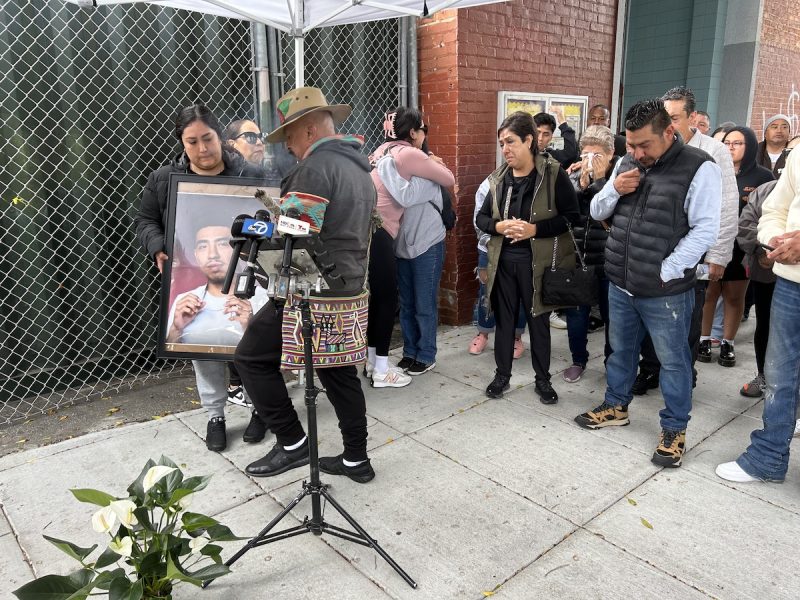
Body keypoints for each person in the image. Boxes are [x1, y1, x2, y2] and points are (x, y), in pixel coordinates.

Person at [234, 87, 377, 483]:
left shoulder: (313, 169)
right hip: (348, 284)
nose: (290, 149)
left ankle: (294, 444)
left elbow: (295, 234)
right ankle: (355, 460)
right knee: (339, 372)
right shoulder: (358, 166)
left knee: (250, 357)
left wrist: (254, 236)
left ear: (310, 130)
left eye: (291, 138)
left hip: (311, 290)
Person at [574, 99, 721, 468]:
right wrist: (614, 189)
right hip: (622, 282)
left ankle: (674, 429)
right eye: (630, 144)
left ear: (669, 132)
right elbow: (596, 211)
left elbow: (706, 229)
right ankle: (616, 406)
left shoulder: (699, 168)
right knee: (620, 351)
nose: (636, 153)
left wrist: (668, 269)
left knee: (674, 363)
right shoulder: (626, 163)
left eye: (644, 145)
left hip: (665, 290)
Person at [134, 103, 268, 452]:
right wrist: (160, 247)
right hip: (191, 278)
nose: (201, 149)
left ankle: (261, 410)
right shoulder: (164, 180)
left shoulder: (248, 175)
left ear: (220, 137)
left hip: (248, 277)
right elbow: (145, 220)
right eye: (191, 142)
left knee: (250, 345)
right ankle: (215, 416)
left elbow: (269, 216)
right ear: (182, 142)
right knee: (202, 344)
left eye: (207, 139)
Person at [630, 86, 738, 395]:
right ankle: (650, 370)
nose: (669, 124)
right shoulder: (656, 149)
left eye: (675, 117)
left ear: (692, 117)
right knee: (651, 316)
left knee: (688, 320)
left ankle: (682, 374)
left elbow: (727, 204)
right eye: (665, 117)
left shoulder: (712, 152)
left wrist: (719, 254)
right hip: (659, 248)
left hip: (696, 253)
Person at [476, 111, 579, 404]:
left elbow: (572, 217)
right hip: (504, 263)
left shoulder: (552, 173)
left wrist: (534, 229)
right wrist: (498, 226)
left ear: (529, 141)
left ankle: (543, 380)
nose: (505, 148)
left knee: (538, 323)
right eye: (501, 143)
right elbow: (481, 218)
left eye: (511, 142)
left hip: (539, 264)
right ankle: (502, 375)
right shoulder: (499, 179)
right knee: (505, 322)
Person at [715, 139, 800, 483]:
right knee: (779, 375)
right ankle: (769, 456)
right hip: (791, 280)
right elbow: (777, 207)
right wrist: (776, 239)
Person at [368, 107, 454, 381]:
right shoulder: (397, 158)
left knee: (424, 303)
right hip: (401, 243)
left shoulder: (414, 160)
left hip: (427, 241)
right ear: (412, 132)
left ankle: (425, 354)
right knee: (406, 303)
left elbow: (427, 189)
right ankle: (410, 351)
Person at [698, 126, 774, 367]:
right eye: (727, 142)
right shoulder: (712, 169)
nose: (731, 147)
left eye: (737, 143)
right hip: (713, 241)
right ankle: (704, 339)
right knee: (709, 293)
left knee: (734, 296)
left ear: (750, 146)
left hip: (742, 247)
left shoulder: (762, 177)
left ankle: (728, 342)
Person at [737, 135, 800, 398]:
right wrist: (768, 245)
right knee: (766, 326)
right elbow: (747, 224)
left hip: (791, 273)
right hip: (768, 273)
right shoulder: (766, 190)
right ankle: (764, 375)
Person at [562, 125, 617, 383]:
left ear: (611, 154)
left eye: (597, 155)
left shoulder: (619, 178)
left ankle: (612, 363)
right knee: (576, 314)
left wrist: (599, 182)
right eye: (585, 154)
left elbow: (610, 212)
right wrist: (579, 184)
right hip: (578, 257)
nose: (590, 160)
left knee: (613, 318)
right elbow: (565, 211)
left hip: (609, 261)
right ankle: (578, 359)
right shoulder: (573, 176)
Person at [469, 177, 527, 359]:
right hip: (489, 248)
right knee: (486, 292)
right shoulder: (488, 184)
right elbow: (479, 218)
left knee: (519, 294)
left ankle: (516, 337)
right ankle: (483, 332)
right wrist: (493, 242)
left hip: (520, 248)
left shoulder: (532, 183)